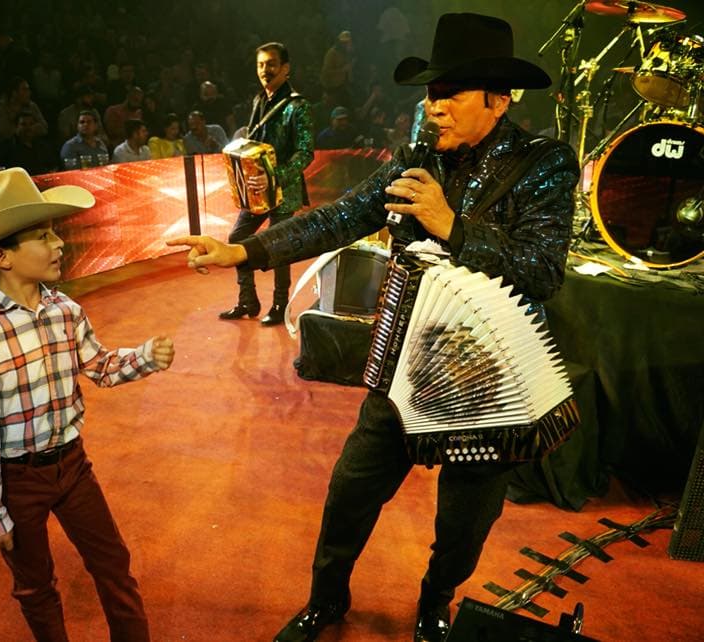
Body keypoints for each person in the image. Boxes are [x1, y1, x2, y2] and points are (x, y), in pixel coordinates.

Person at [168, 13, 578, 642]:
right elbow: (338, 218)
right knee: (349, 493)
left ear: (497, 99)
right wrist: (243, 254)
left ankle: (434, 607)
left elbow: (543, 271)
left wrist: (452, 225)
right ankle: (326, 599)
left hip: (489, 384)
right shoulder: (417, 161)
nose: (433, 106)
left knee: (464, 524)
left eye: (450, 94)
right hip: (407, 372)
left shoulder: (543, 165)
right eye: (431, 94)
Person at [0, 167, 175, 642]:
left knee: (112, 563)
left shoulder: (67, 311)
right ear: (2, 256)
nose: (59, 244)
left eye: (55, 234)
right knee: (35, 586)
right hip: (17, 481)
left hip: (73, 465)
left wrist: (145, 357)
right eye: (43, 237)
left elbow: (101, 366)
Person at [217, 41, 314, 327]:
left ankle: (280, 305)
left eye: (271, 64)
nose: (265, 70)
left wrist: (276, 176)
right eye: (260, 65)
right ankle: (248, 301)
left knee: (280, 247)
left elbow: (306, 152)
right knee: (237, 239)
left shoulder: (298, 106)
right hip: (258, 189)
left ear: (286, 68)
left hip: (285, 189)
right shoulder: (259, 100)